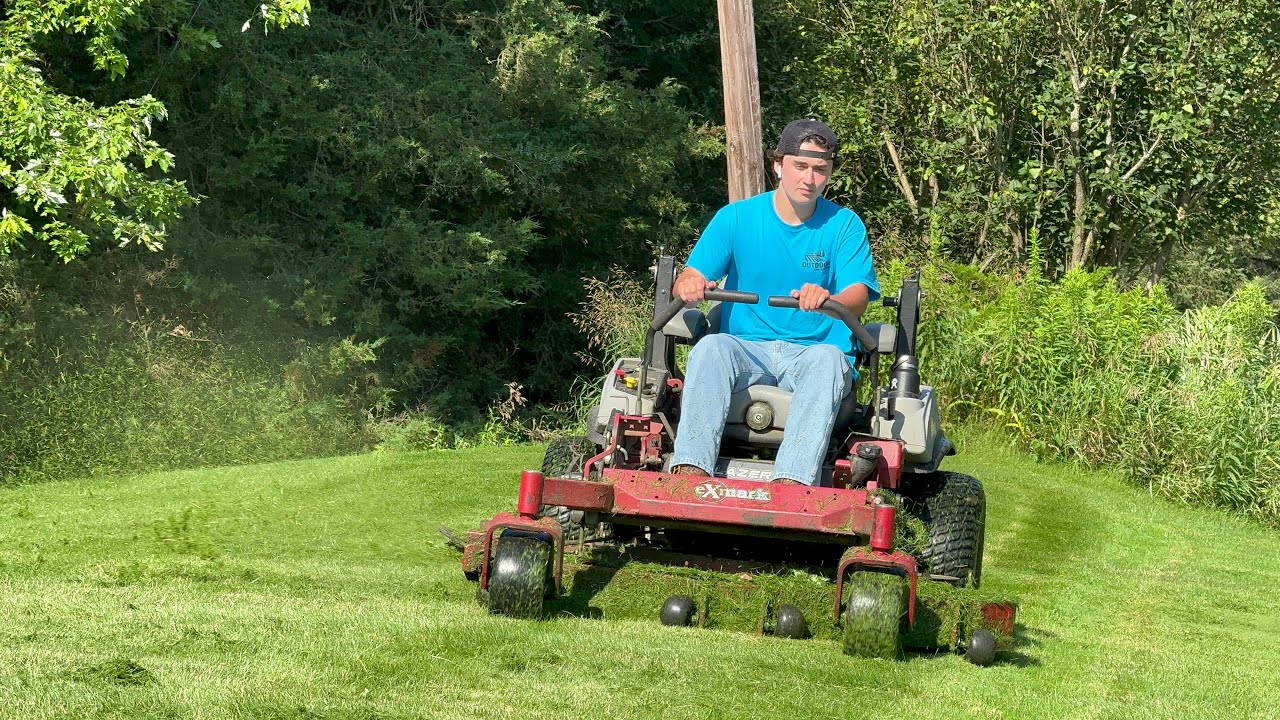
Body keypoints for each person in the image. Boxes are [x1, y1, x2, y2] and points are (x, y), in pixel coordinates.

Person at [668, 119, 879, 486]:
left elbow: (858, 296)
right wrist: (690, 282)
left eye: (820, 169)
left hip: (813, 352)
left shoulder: (845, 225)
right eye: (800, 166)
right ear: (778, 165)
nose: (809, 178)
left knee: (828, 360)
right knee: (711, 348)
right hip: (746, 348)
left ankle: (791, 484)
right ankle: (689, 473)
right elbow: (689, 277)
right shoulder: (736, 218)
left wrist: (829, 299)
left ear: (829, 174)